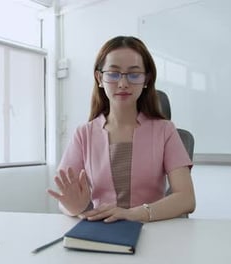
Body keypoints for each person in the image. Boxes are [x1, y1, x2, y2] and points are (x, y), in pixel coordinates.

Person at [47, 36, 195, 223]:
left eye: (134, 74)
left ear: (146, 79)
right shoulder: (84, 134)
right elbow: (66, 199)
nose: (123, 83)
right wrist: (74, 206)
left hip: (153, 230)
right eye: (113, 74)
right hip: (102, 230)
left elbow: (186, 198)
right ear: (100, 78)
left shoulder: (165, 130)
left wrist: (133, 214)